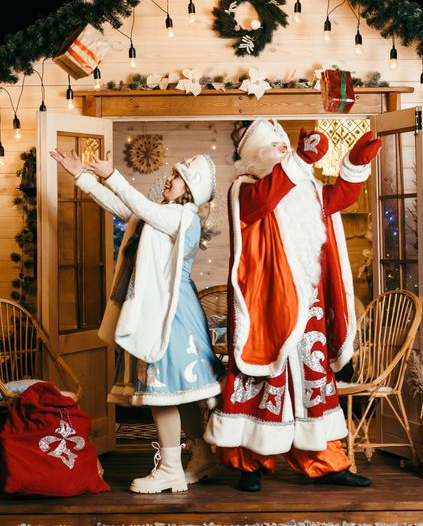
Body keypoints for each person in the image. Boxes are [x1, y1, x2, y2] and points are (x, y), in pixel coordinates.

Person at [204, 118, 381, 491]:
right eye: (274, 146)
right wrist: (300, 159)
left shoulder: (306, 188)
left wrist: (354, 164)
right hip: (266, 306)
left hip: (309, 303)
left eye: (285, 145)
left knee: (313, 379)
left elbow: (337, 199)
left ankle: (326, 462)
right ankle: (249, 464)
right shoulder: (245, 189)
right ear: (254, 156)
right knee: (263, 379)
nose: (282, 150)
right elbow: (266, 198)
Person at [50, 147, 224, 494]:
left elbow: (140, 207)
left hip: (171, 313)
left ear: (190, 189)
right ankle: (202, 457)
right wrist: (82, 176)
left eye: (177, 177)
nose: (169, 180)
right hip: (170, 308)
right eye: (172, 174)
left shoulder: (182, 217)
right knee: (180, 392)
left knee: (160, 392)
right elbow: (126, 209)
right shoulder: (165, 214)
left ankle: (171, 470)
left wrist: (112, 175)